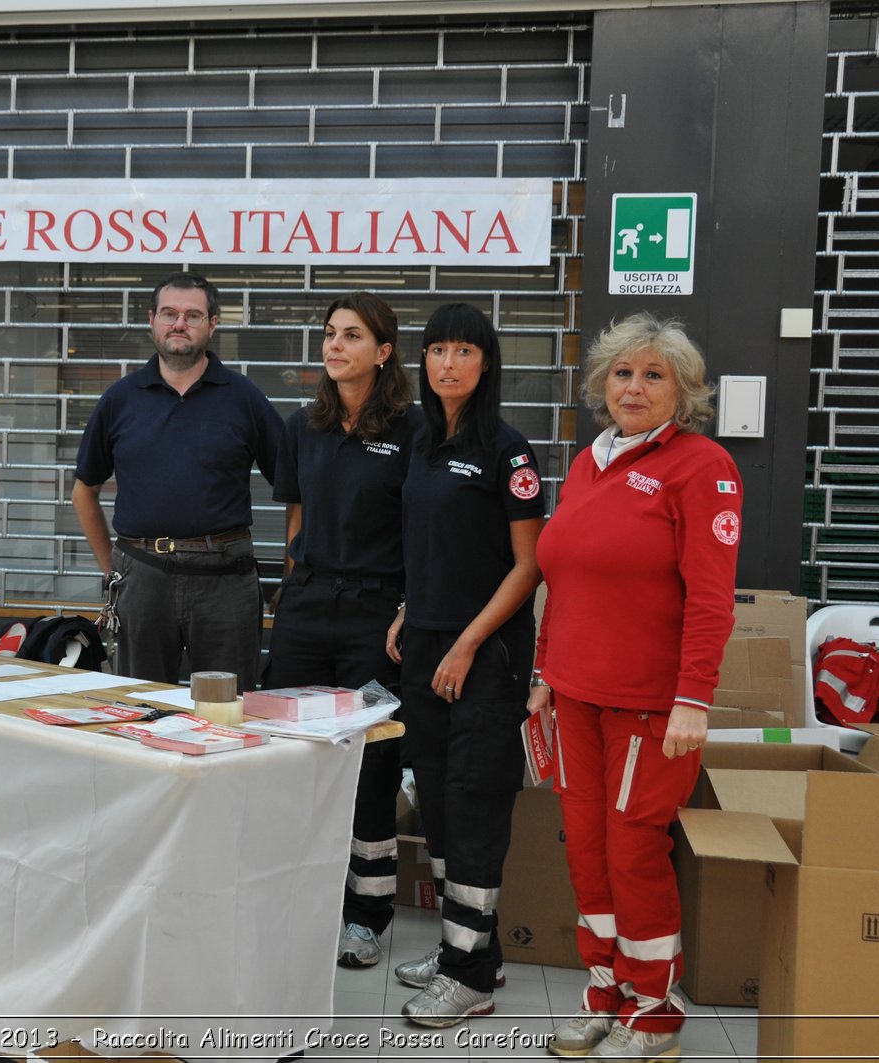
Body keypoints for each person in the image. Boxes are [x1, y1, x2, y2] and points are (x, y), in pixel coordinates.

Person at [527, 312, 742, 1060]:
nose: (635, 386)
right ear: (601, 383)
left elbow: (713, 599)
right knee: (587, 849)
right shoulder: (589, 461)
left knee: (634, 854)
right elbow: (562, 573)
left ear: (684, 392)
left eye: (655, 375)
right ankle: (607, 993)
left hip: (651, 706)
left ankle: (654, 1011)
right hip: (575, 696)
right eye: (623, 372)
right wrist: (545, 671)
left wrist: (694, 698)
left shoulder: (702, 465)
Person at [384, 303, 545, 1027]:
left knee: (475, 804)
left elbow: (528, 566)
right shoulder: (420, 440)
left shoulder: (508, 451)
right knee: (441, 802)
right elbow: (430, 544)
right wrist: (408, 611)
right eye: (437, 349)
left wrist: (465, 643)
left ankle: (470, 974)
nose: (448, 363)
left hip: (485, 655)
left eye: (465, 350)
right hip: (427, 643)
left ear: (487, 364)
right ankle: (464, 950)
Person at [261, 291, 420, 969]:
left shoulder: (415, 431)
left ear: (382, 352)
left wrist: (411, 604)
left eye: (351, 335)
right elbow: (296, 515)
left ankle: (366, 914)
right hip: (306, 605)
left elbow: (426, 525)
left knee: (371, 760)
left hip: (374, 615)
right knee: (286, 748)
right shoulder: (305, 426)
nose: (335, 345)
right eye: (329, 334)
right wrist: (297, 582)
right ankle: (295, 897)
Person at [72, 272, 281, 689]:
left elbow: (296, 490)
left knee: (227, 710)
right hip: (142, 577)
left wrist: (292, 575)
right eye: (169, 313)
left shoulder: (245, 399)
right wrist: (113, 571)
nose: (179, 324)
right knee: (137, 707)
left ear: (213, 324)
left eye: (192, 315)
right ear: (152, 320)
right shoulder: (120, 398)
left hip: (226, 578)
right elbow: (84, 491)